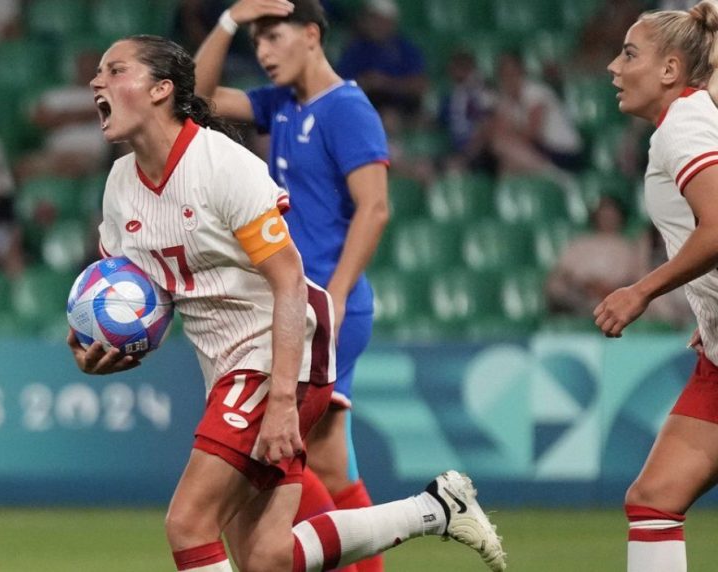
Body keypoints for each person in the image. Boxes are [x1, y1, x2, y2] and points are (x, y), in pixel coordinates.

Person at [69, 33, 505, 572]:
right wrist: (102, 341)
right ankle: (436, 508)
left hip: (279, 349)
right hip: (226, 363)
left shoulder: (221, 165)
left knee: (188, 524)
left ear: (161, 90)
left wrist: (281, 402)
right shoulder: (119, 186)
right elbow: (136, 291)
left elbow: (290, 281)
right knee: (268, 557)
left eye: (115, 70)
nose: (96, 81)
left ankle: (431, 507)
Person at [193, 3, 392, 569]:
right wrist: (230, 20)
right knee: (328, 468)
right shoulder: (281, 104)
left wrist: (337, 294)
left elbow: (374, 208)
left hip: (323, 307)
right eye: (256, 42)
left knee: (282, 459)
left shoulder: (347, 109)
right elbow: (199, 100)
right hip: (299, 307)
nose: (263, 52)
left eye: (273, 37)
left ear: (311, 35)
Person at [595, 2, 718, 571]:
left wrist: (639, 291)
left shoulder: (686, 126)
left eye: (629, 54)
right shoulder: (696, 114)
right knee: (654, 500)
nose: (615, 68)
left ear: (670, 70)